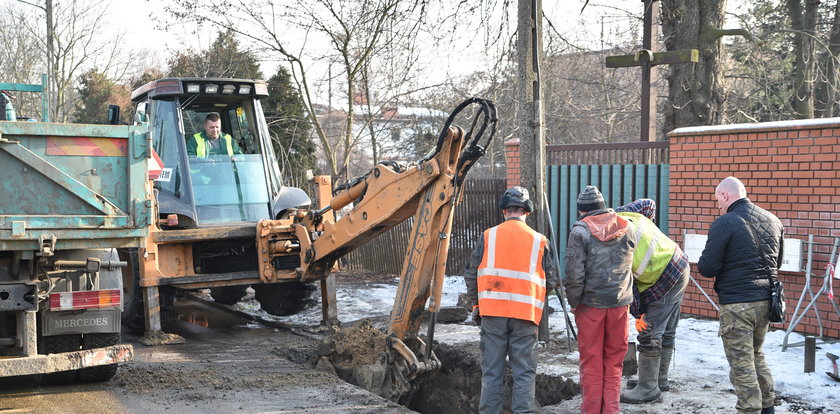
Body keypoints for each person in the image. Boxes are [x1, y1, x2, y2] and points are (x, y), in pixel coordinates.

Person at [464, 186, 558, 414]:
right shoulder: (539, 240)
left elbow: (471, 274)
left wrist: (477, 306)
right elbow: (553, 281)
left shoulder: (488, 236)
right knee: (524, 373)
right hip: (525, 318)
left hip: (493, 315)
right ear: (527, 212)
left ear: (504, 211)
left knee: (492, 373)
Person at [698, 176, 784, 414]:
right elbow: (776, 263)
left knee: (741, 364)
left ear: (725, 196)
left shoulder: (724, 222)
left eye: (718, 200)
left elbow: (707, 268)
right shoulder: (773, 220)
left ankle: (749, 409)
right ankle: (768, 406)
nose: (718, 206)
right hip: (766, 302)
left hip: (737, 305)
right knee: (756, 355)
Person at [564, 185, 636, 414]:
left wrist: (574, 303)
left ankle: (591, 410)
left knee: (591, 361)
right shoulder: (628, 228)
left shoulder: (580, 232)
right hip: (619, 305)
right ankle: (612, 410)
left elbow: (574, 275)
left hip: (591, 306)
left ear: (582, 211)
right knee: (614, 361)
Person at [614, 199, 689, 404]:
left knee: (649, 332)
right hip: (678, 261)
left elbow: (630, 288)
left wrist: (640, 315)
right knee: (666, 330)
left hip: (665, 276)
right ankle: (658, 379)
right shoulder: (622, 214)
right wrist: (648, 230)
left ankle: (648, 388)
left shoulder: (615, 245)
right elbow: (648, 205)